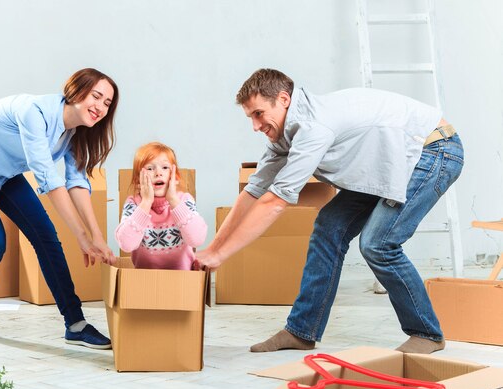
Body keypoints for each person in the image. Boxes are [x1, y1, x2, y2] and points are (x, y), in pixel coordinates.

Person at [196, 68, 464, 354]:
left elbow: (275, 202)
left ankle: (426, 332)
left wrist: (221, 257)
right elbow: (253, 192)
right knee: (329, 227)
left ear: (283, 99)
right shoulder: (285, 134)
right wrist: (212, 248)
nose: (255, 125)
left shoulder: (313, 127)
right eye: (250, 117)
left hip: (434, 151)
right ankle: (301, 331)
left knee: (378, 244)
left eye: (259, 114)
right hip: (391, 161)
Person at [0, 68, 118, 349]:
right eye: (96, 96)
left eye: (107, 103)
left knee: (46, 237)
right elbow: (49, 178)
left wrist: (96, 236)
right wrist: (81, 236)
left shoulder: (75, 133)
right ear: (75, 90)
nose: (100, 107)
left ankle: (75, 324)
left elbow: (77, 183)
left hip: (4, 173)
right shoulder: (33, 112)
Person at [115, 142, 207, 270]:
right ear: (138, 180)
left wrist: (173, 200)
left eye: (165, 167)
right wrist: (146, 202)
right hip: (145, 280)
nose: (158, 173)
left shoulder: (184, 200)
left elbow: (197, 239)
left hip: (183, 279)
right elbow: (126, 244)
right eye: (150, 168)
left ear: (176, 177)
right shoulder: (134, 204)